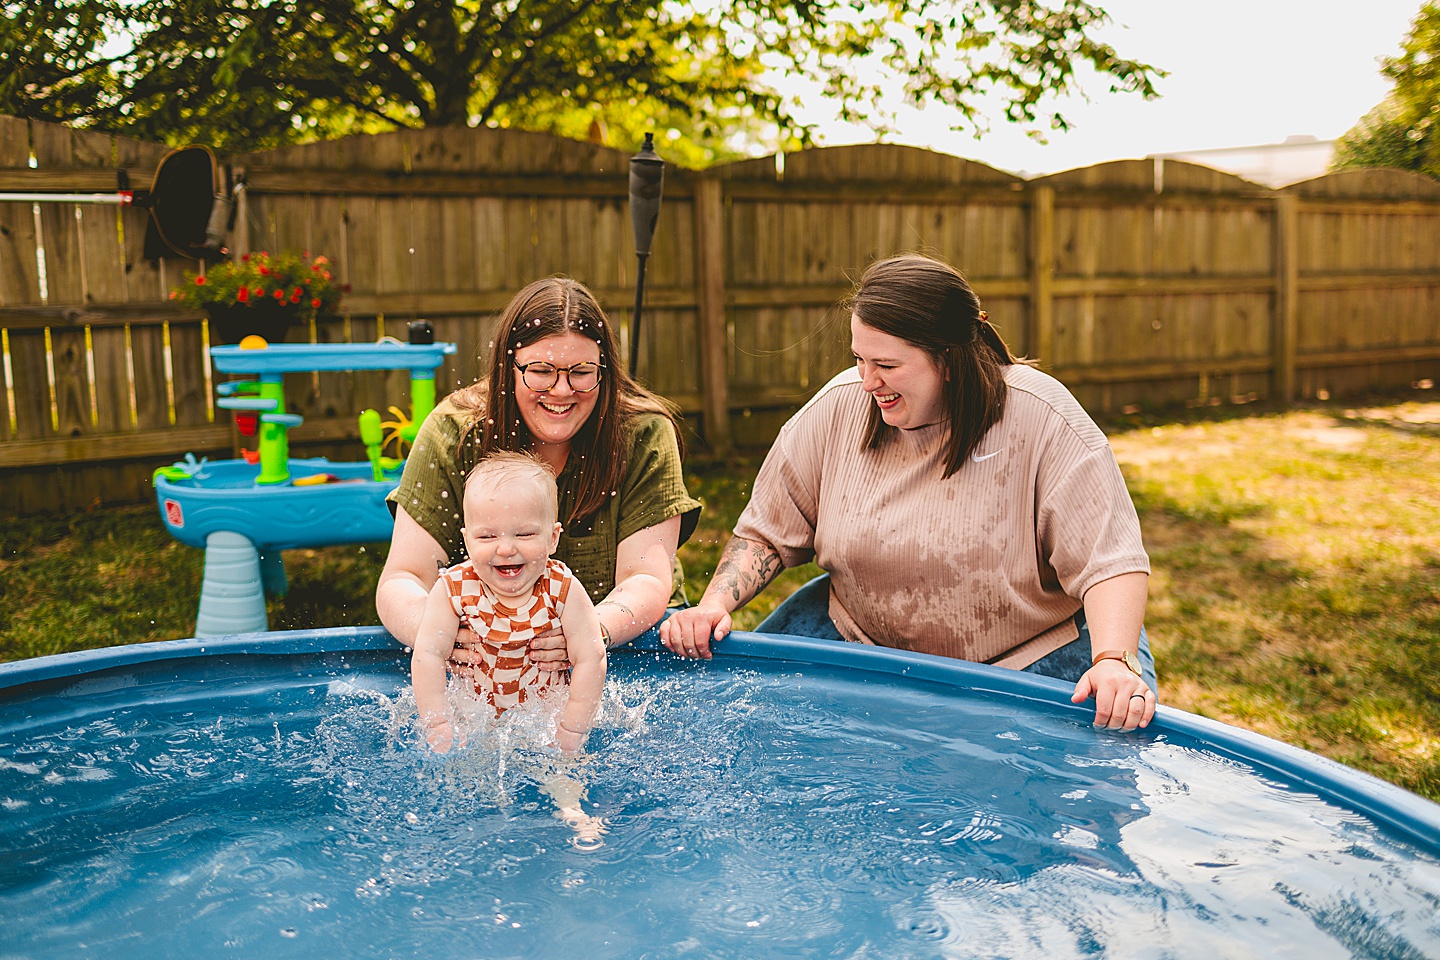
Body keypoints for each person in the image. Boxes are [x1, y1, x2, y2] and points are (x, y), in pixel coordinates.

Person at [660, 254, 1158, 731]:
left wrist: (1114, 659)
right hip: (861, 647)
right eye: (858, 359)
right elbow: (766, 535)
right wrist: (712, 606)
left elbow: (1110, 561)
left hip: (1028, 661)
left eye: (887, 365)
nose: (867, 381)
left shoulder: (1041, 417)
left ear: (948, 359)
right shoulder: (839, 409)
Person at [376, 276, 702, 667]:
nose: (562, 390)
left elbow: (645, 581)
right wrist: (433, 633)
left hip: (628, 646)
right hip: (481, 659)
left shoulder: (644, 434)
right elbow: (402, 579)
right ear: (508, 367)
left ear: (605, 369)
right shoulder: (453, 433)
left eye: (581, 371)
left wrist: (588, 631)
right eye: (541, 370)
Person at [411, 451, 606, 755]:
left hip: (544, 722)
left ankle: (568, 800)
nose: (505, 548)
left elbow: (591, 657)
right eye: (487, 537)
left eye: (525, 533)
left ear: (553, 538)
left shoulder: (562, 588)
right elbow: (428, 655)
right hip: (476, 723)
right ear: (467, 540)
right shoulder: (454, 588)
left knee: (564, 777)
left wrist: (571, 728)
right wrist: (438, 724)